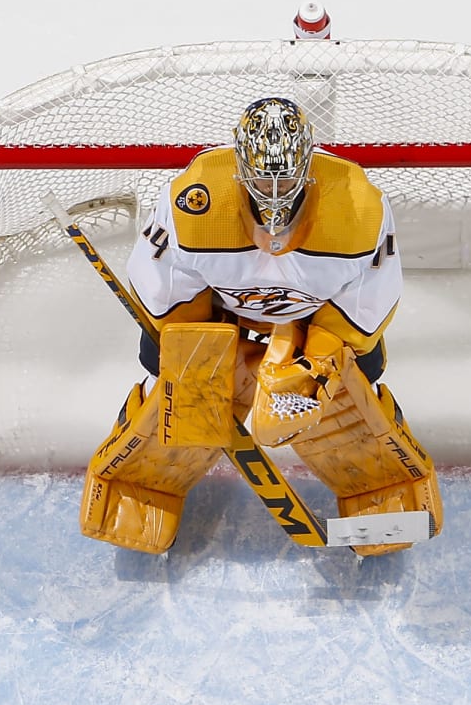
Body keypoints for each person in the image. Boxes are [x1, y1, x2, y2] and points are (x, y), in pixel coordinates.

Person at [80, 96, 442, 557]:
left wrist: (318, 360)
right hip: (221, 310)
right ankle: (143, 483)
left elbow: (371, 295)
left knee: (343, 404)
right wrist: (206, 354)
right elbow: (164, 283)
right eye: (261, 178)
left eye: (287, 177)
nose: (273, 193)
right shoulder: (196, 199)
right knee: (184, 398)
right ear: (239, 165)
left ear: (309, 162)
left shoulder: (358, 207)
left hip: (316, 318)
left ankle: (380, 493)